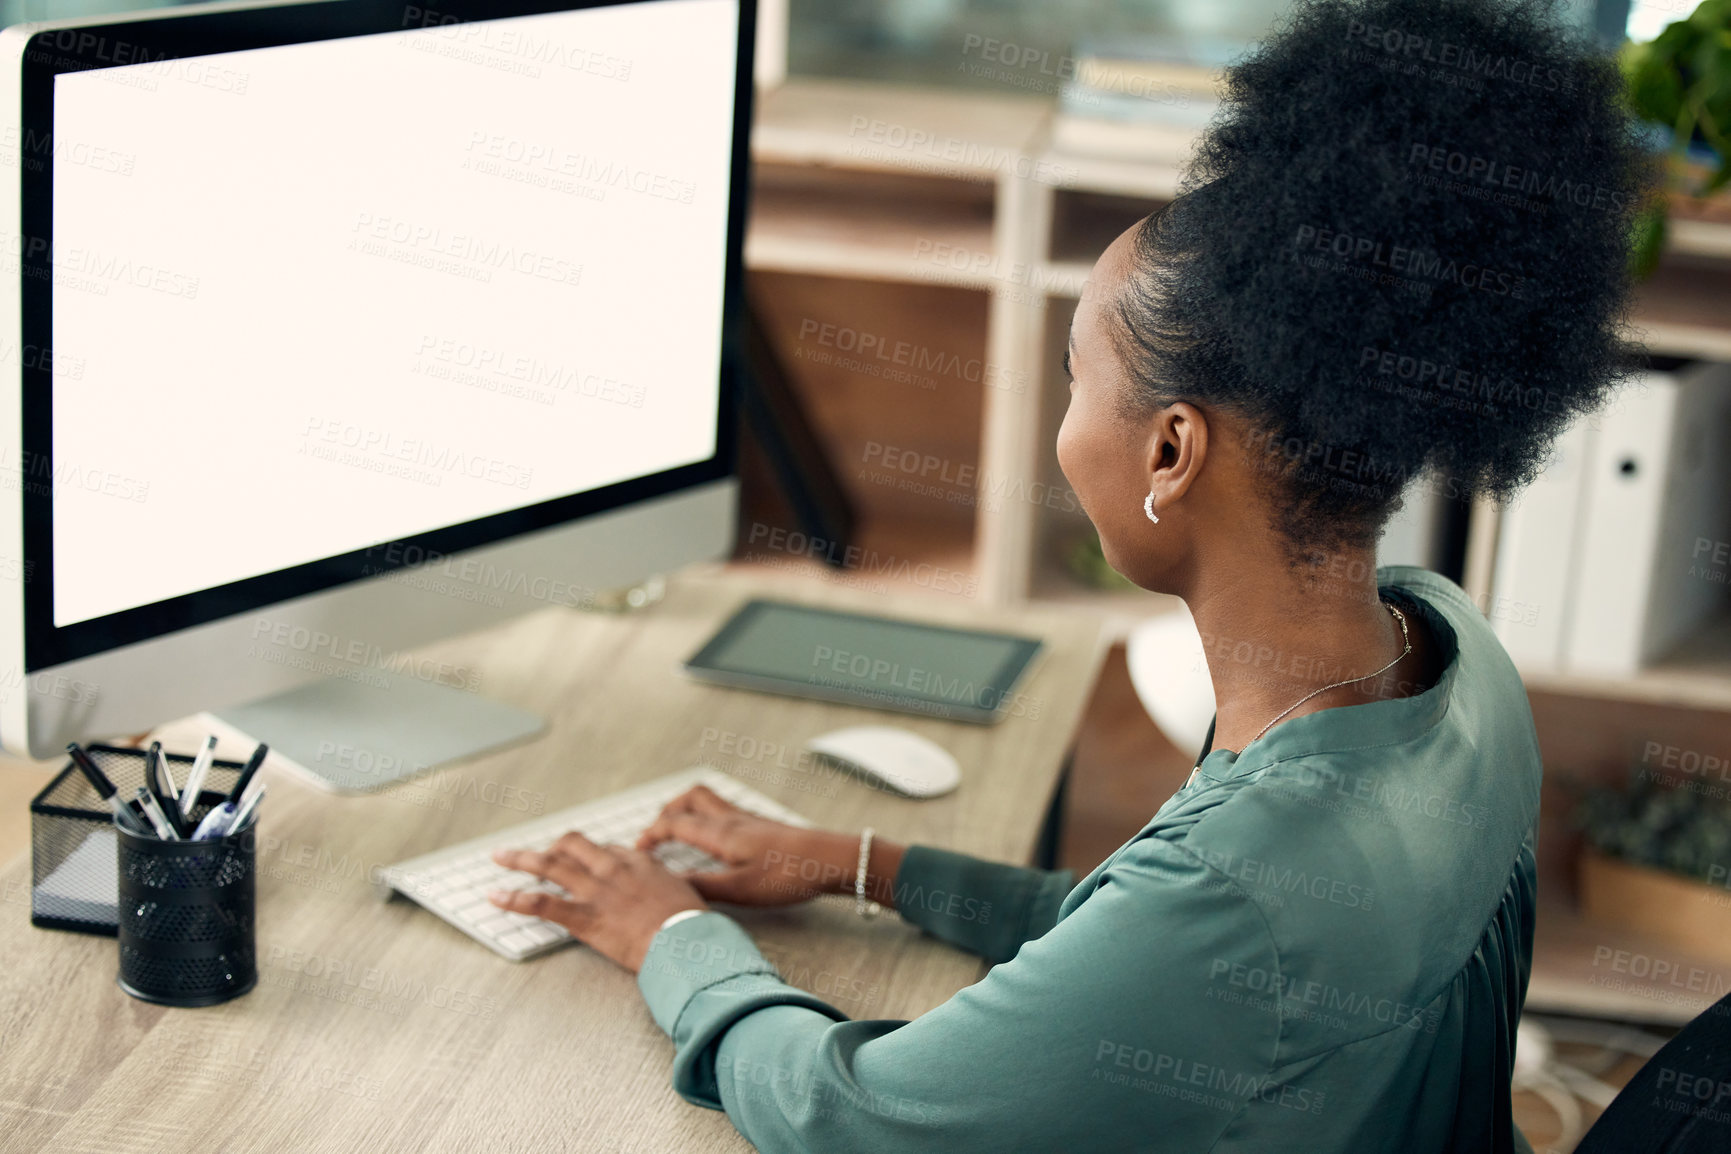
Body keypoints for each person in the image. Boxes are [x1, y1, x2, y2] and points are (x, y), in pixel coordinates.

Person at [485, 0, 1651, 1148]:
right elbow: (1143, 957)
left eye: (1073, 376)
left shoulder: (1244, 892)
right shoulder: (1454, 653)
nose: (1059, 427)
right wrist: (864, 865)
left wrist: (671, 934)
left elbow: (850, 1111)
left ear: (1168, 451)